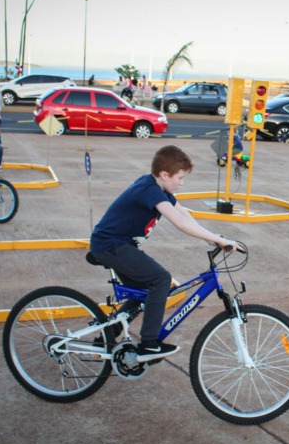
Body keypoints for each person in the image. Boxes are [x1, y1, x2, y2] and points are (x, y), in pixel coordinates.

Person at [89, 145, 239, 363]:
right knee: (160, 279)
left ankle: (106, 337)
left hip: (117, 245)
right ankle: (148, 345)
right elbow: (179, 223)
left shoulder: (159, 188)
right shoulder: (150, 190)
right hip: (111, 245)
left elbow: (184, 214)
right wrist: (218, 240)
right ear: (164, 175)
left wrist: (213, 237)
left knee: (141, 291)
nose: (182, 183)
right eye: (180, 178)